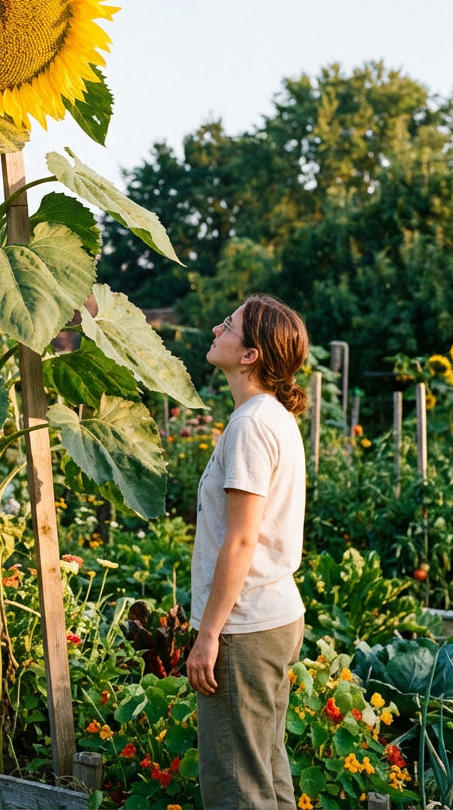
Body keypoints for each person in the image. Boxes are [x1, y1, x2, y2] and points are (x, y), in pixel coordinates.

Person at [186, 294, 310, 809]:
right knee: (266, 772)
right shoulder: (270, 417)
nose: (217, 328)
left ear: (250, 355)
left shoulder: (251, 425)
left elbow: (242, 539)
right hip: (272, 616)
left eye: (230, 325)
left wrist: (208, 635)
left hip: (245, 627)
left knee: (237, 784)